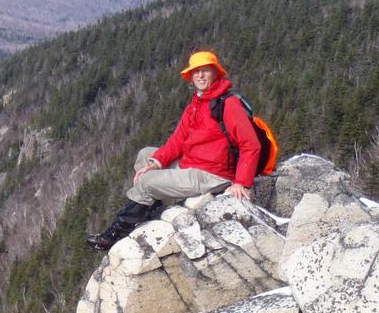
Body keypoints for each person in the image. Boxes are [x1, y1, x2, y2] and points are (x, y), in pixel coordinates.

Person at [86, 50, 261, 251]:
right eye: (196, 72)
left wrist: (241, 183)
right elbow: (177, 141)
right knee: (146, 155)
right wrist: (155, 163)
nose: (200, 76)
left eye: (205, 71)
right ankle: (153, 206)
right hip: (193, 164)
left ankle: (117, 232)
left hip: (213, 173)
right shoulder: (196, 105)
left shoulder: (228, 104)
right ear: (190, 77)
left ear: (216, 73)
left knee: (145, 181)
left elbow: (251, 144)